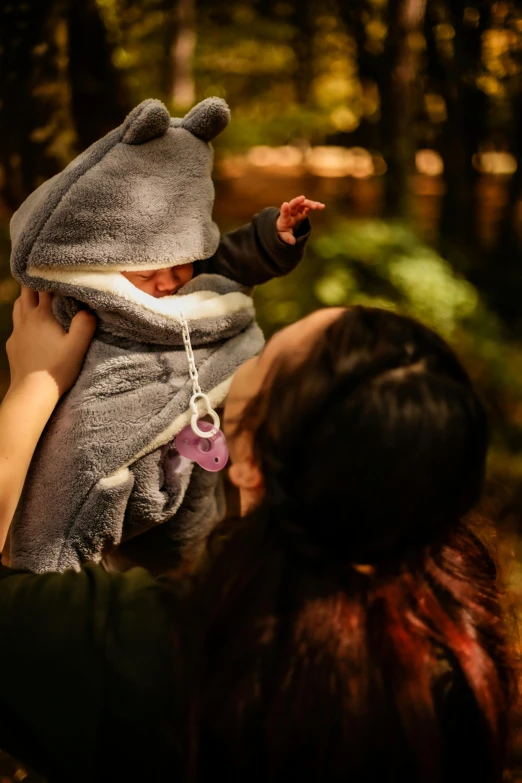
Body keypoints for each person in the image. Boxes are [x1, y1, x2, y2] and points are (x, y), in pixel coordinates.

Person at [0, 289, 513, 783]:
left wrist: (35, 383)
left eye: (268, 353)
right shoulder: (461, 653)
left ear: (248, 459)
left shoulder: (141, 643)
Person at [8, 95, 324, 574]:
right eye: (148, 273)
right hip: (114, 428)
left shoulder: (193, 269)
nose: (170, 282)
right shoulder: (81, 302)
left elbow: (231, 259)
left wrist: (276, 235)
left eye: (182, 264)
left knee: (190, 532)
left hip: (194, 430)